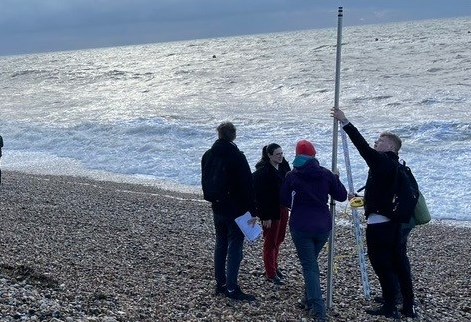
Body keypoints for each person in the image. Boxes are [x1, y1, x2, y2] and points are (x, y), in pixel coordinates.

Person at [331, 107, 417, 319]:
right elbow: (383, 196)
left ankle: (390, 307)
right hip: (394, 223)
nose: (376, 143)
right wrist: (359, 201)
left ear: (390, 146)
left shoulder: (382, 161)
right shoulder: (396, 165)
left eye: (380, 140)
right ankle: (407, 305)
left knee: (381, 263)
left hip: (381, 225)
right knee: (398, 262)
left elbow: (362, 147)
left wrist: (345, 121)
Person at [280, 140, 347, 322]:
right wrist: (336, 178)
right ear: (314, 155)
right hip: (322, 226)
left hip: (301, 226)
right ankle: (308, 299)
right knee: (311, 264)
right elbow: (341, 196)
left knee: (310, 266)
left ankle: (318, 309)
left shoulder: (292, 176)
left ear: (296, 156)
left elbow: (285, 201)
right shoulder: (326, 174)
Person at [201, 121, 257, 302]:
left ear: (219, 135)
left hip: (217, 205)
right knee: (235, 247)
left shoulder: (208, 155)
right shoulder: (237, 156)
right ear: (233, 135)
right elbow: (247, 185)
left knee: (221, 243)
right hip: (236, 208)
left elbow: (205, 178)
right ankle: (232, 288)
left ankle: (221, 283)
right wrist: (253, 209)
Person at [253, 143, 291, 285]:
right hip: (271, 212)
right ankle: (270, 272)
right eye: (277, 154)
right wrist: (265, 216)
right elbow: (260, 197)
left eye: (282, 153)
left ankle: (274, 266)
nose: (281, 156)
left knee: (279, 239)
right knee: (270, 242)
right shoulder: (263, 172)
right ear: (269, 155)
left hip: (283, 208)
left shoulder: (282, 167)